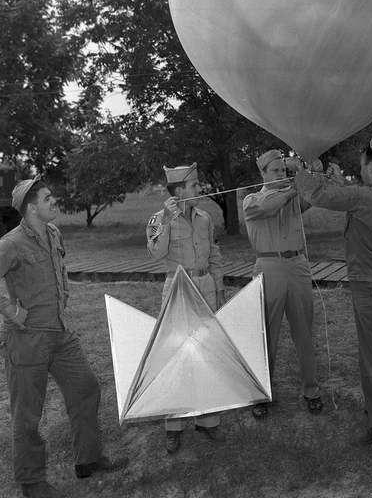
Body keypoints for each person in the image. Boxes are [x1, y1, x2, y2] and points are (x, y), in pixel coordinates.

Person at [0, 177, 128, 498]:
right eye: (47, 198)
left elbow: (61, 270)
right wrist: (10, 311)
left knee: (86, 389)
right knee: (28, 414)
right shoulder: (11, 244)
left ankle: (88, 458)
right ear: (31, 208)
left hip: (61, 332)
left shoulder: (54, 232)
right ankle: (32, 484)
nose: (54, 200)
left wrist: (66, 293)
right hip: (28, 339)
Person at [295, 138, 372, 464]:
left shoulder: (371, 197)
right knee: (370, 359)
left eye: (362, 165)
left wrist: (302, 173)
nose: (359, 170)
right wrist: (336, 180)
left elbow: (323, 196)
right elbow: (349, 197)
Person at [147, 162, 226, 454]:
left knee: (207, 353)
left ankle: (207, 420)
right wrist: (166, 221)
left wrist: (218, 287)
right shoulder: (159, 218)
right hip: (178, 288)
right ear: (179, 190)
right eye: (194, 185)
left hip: (204, 286)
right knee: (176, 355)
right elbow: (156, 252)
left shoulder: (204, 217)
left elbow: (215, 252)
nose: (200, 189)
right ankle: (174, 426)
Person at [243, 150, 322, 419]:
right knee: (267, 335)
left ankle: (312, 391)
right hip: (269, 268)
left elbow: (313, 198)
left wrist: (313, 175)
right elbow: (268, 206)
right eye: (275, 171)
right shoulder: (252, 200)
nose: (281, 174)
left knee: (304, 333)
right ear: (262, 174)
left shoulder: (291, 198)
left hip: (298, 265)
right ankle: (260, 394)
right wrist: (292, 190)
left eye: (283, 170)